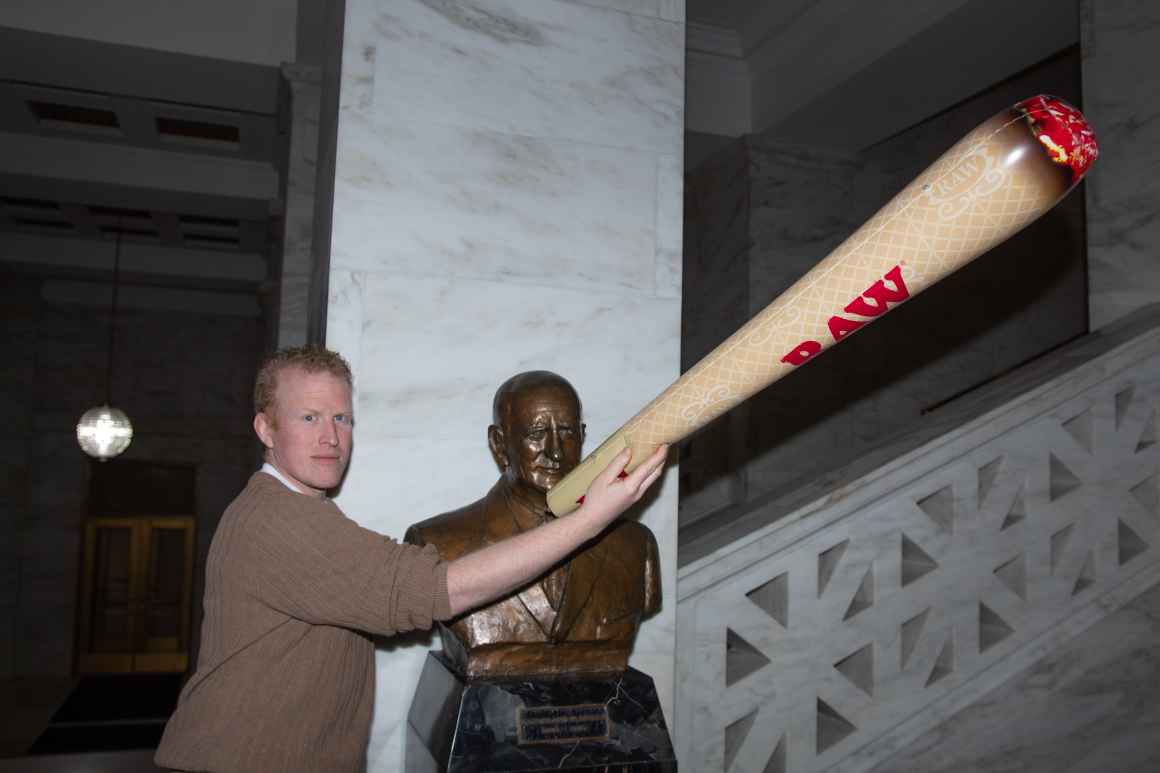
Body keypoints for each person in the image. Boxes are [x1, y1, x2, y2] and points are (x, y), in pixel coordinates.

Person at [155, 347, 666, 773]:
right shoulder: (277, 521)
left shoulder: (306, 512)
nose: (330, 437)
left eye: (342, 418)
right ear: (266, 430)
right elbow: (427, 591)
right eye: (308, 418)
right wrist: (586, 522)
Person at [405, 371, 660, 678]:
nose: (555, 451)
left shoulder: (635, 546)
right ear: (499, 443)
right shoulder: (435, 545)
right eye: (536, 433)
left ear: (582, 435)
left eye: (566, 431)